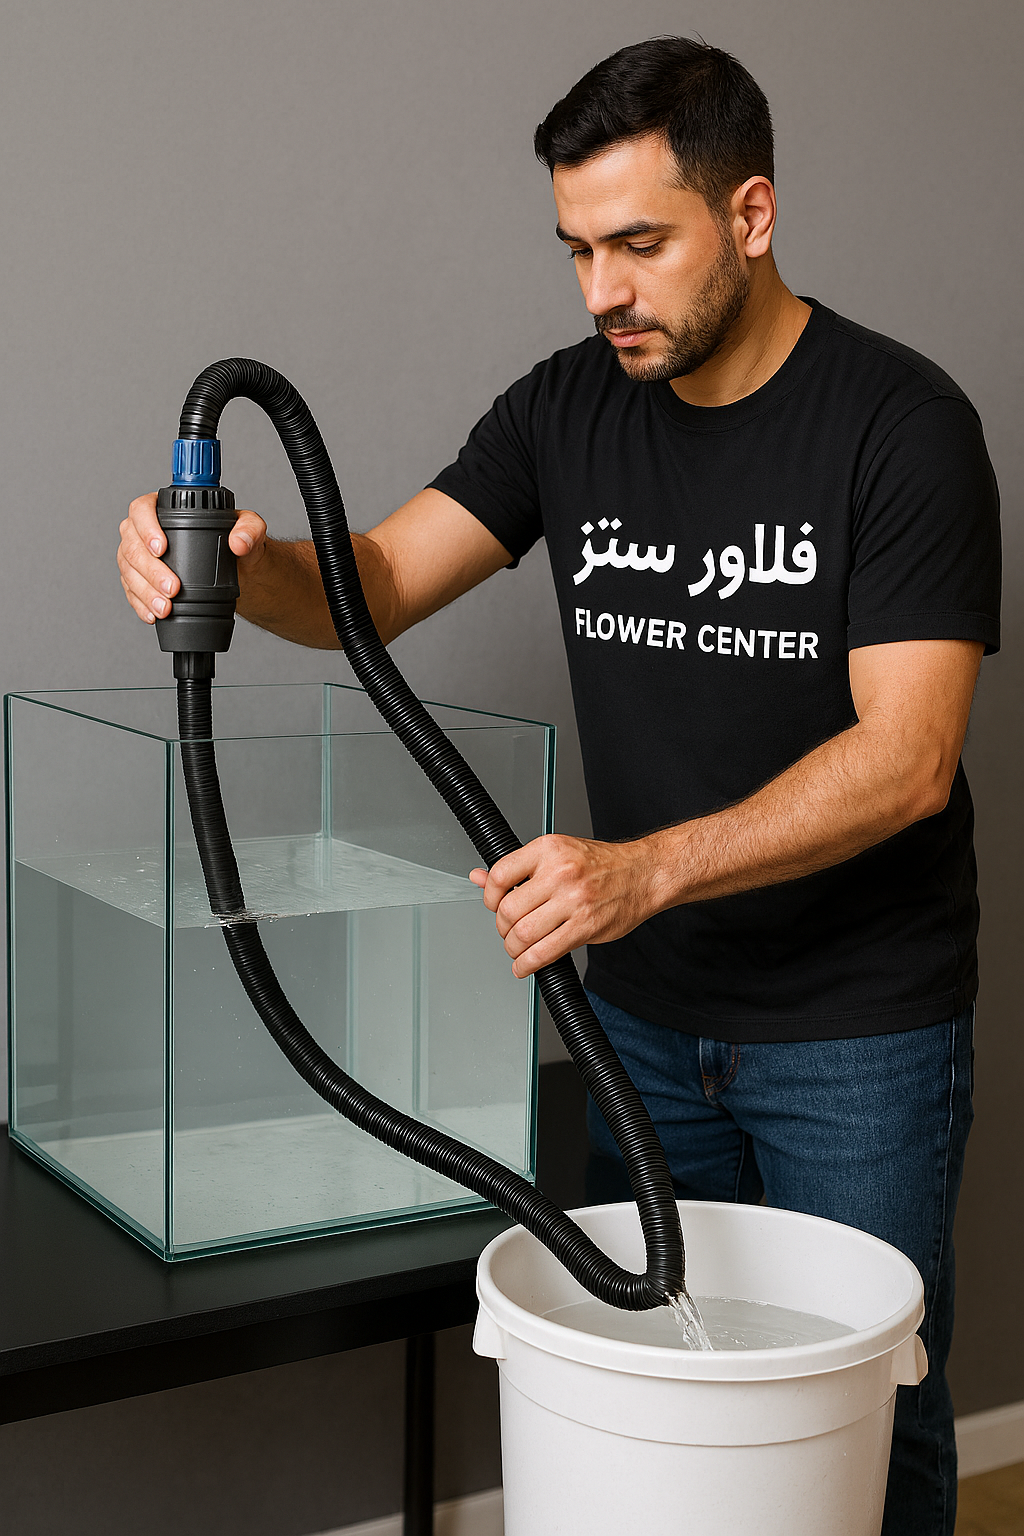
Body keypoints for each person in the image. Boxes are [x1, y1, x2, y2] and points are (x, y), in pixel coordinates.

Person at [117, 38, 999, 1536]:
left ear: (753, 214)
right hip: (641, 1022)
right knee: (647, 1385)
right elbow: (375, 583)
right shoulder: (566, 411)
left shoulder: (901, 427)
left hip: (859, 1030)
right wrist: (227, 559)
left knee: (870, 1412)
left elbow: (908, 759)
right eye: (579, 250)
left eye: (641, 243)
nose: (603, 290)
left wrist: (641, 871)